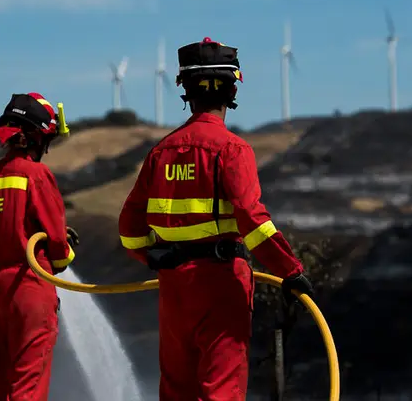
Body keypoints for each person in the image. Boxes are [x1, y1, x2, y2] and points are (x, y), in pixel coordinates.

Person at [118, 37, 315, 400]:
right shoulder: (232, 149)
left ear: (185, 91)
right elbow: (252, 219)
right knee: (221, 388)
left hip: (175, 285)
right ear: (232, 90)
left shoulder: (160, 153)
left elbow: (129, 227)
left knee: (177, 387)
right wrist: (289, 270)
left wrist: (152, 257)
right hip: (222, 284)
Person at [0, 92, 79, 401]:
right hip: (28, 284)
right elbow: (57, 244)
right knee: (28, 383)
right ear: (38, 136)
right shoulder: (36, 174)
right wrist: (64, 253)